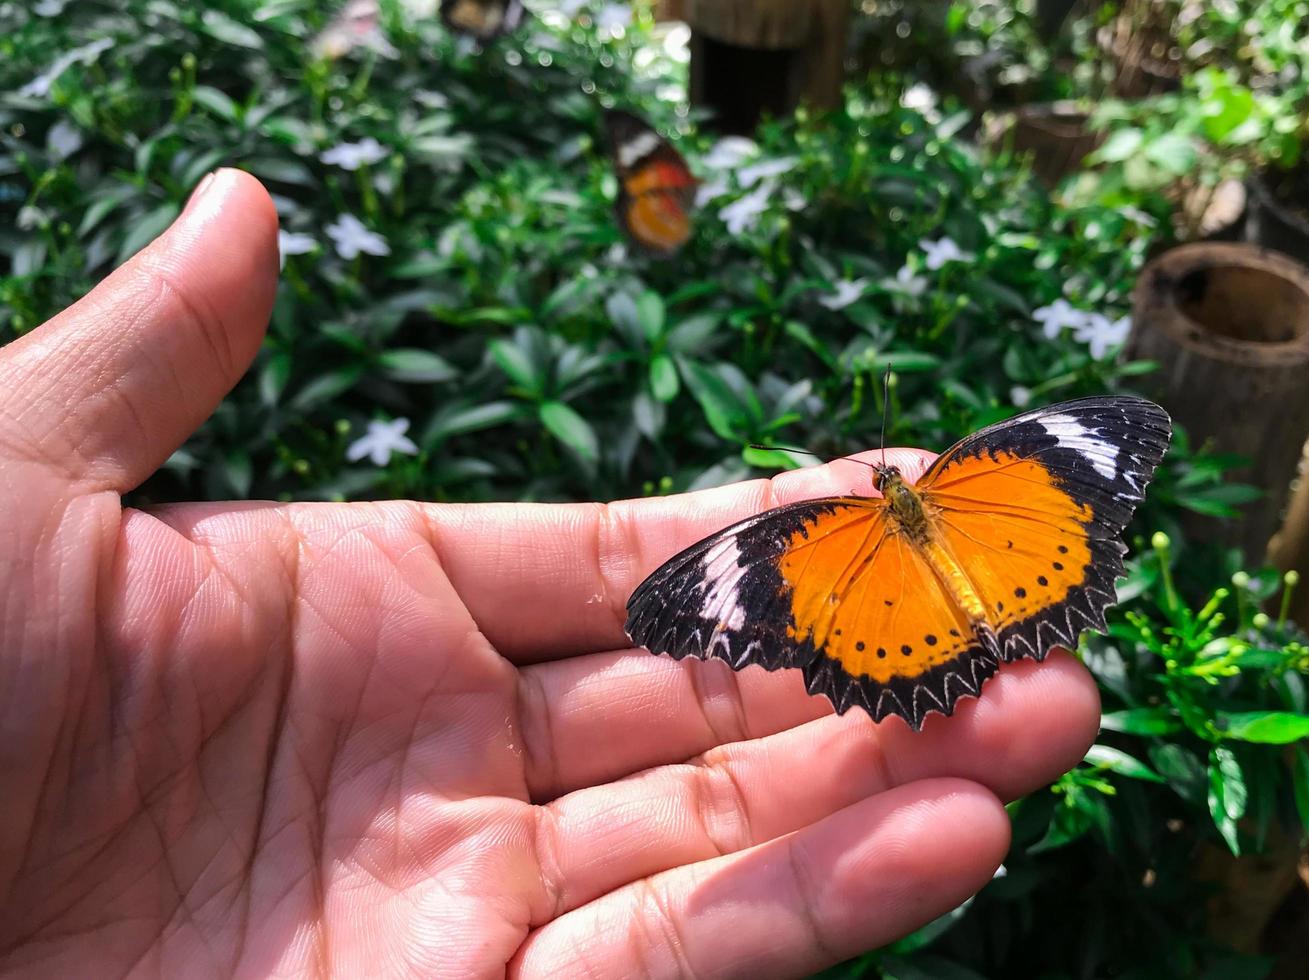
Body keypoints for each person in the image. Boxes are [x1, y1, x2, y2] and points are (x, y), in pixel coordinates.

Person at [0, 170, 1099, 977]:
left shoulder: (834, 525)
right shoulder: (960, 479)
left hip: (907, 620)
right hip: (988, 571)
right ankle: (1002, 625)